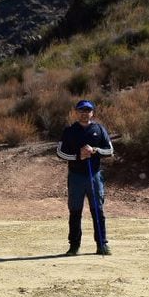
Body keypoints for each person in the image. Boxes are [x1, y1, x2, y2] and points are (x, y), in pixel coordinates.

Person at [56, 99, 113, 255]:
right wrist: (77, 156)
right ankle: (74, 246)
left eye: (88, 111)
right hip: (76, 177)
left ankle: (102, 245)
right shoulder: (69, 130)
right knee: (75, 211)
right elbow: (60, 152)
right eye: (81, 110)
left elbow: (109, 150)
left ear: (92, 113)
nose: (84, 113)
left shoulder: (99, 129)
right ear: (76, 112)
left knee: (98, 211)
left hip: (94, 176)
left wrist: (95, 150)